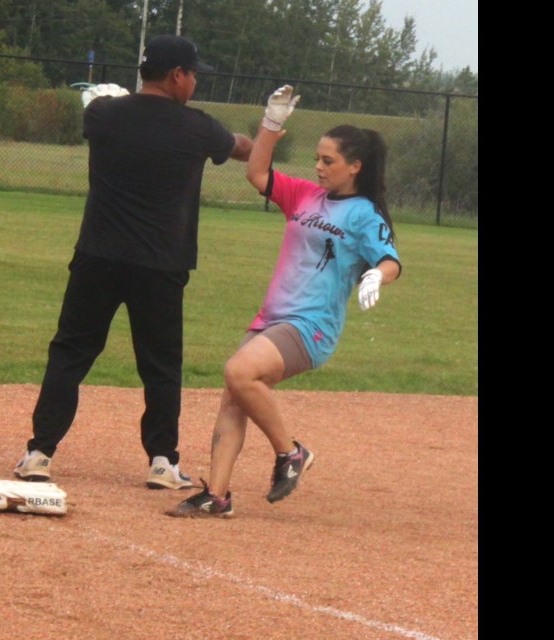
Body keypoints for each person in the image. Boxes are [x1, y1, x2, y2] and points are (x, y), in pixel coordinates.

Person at [14, 34, 254, 490]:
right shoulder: (197, 127)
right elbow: (241, 148)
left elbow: (97, 116)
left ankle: (39, 452)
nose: (196, 82)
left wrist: (107, 102)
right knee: (161, 364)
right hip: (161, 265)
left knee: (70, 353)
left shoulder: (103, 115)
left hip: (98, 256)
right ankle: (162, 461)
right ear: (177, 75)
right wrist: (269, 128)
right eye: (193, 74)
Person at [166, 85, 402, 517]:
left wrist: (376, 274)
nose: (318, 166)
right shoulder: (305, 195)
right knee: (235, 395)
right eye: (317, 157)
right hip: (273, 317)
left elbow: (390, 259)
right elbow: (257, 174)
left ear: (356, 166)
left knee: (239, 371)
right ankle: (217, 496)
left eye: (328, 160)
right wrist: (271, 126)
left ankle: (290, 452)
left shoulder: (365, 214)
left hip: (311, 326)